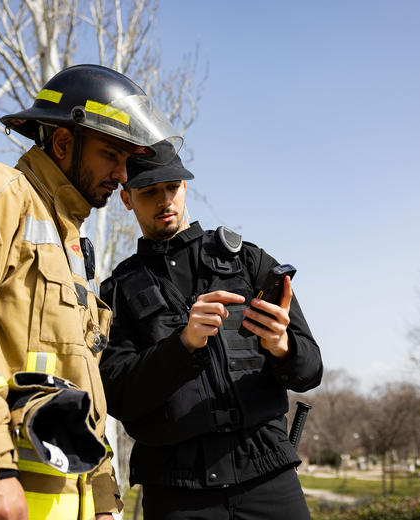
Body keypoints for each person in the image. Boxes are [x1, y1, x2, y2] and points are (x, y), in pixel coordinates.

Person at [0, 64, 182, 520]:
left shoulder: (73, 251)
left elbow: (81, 388)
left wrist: (103, 500)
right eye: (112, 155)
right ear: (63, 143)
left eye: (127, 160)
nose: (124, 174)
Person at [99, 156, 323, 519]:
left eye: (172, 187)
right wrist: (183, 345)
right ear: (126, 199)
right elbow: (117, 397)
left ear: (185, 187)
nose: (164, 200)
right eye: (149, 191)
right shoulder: (118, 291)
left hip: (268, 480)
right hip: (176, 494)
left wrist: (281, 346)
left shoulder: (249, 262)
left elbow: (310, 372)